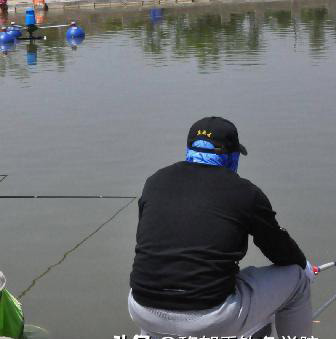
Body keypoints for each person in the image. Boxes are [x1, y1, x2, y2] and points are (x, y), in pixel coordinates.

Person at [128, 117, 313, 338]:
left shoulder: (155, 182)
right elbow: (280, 252)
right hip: (209, 318)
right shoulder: (245, 192)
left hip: (142, 309)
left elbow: (152, 245)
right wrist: (304, 265)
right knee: (297, 279)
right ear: (231, 155)